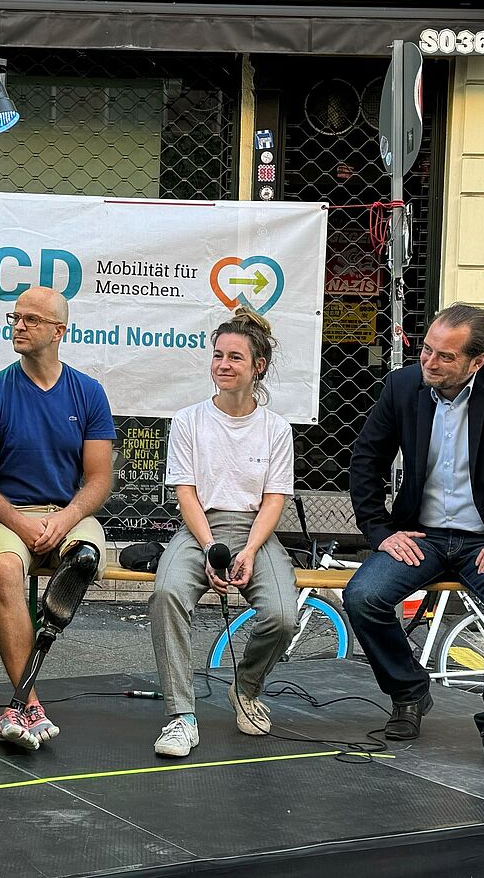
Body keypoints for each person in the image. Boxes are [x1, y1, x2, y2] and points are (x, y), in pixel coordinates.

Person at [344, 303, 484, 773]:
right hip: (420, 535)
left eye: (445, 357)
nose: (429, 362)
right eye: (426, 350)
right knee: (363, 595)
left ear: (477, 361)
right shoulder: (402, 386)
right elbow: (366, 459)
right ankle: (409, 693)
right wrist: (379, 530)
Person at [0, 286, 115, 750]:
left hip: (66, 514)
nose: (19, 325)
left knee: (85, 554)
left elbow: (99, 480)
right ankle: (28, 700)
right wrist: (23, 524)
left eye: (30, 319)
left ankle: (73, 569)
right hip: (4, 515)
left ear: (58, 331)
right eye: (15, 317)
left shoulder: (88, 392)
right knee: (5, 567)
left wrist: (65, 519)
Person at [148, 306, 298, 757]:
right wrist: (211, 547)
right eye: (218, 355)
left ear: (258, 366)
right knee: (168, 594)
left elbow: (275, 499)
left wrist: (249, 550)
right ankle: (181, 716)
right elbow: (186, 493)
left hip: (256, 530)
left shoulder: (276, 428)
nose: (223, 365)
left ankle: (246, 688)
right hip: (201, 527)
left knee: (282, 615)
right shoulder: (189, 420)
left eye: (235, 357)